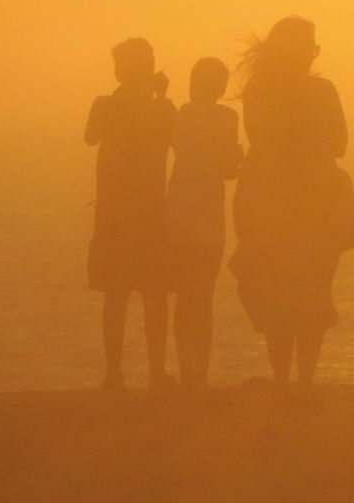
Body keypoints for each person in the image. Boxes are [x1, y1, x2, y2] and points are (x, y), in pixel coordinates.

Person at [229, 17, 354, 405]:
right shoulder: (321, 91)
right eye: (309, 47)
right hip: (312, 207)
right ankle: (304, 382)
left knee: (280, 299)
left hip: (271, 207)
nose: (311, 55)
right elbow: (338, 144)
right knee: (312, 296)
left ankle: (284, 382)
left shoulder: (259, 92)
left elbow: (263, 143)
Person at [85, 38, 176, 391]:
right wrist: (161, 97)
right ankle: (155, 372)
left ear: (119, 70)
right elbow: (174, 140)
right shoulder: (161, 108)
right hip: (149, 212)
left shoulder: (105, 104)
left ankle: (114, 373)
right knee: (153, 297)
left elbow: (90, 136)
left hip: (115, 214)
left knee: (116, 296)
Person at [166, 57, 242, 390]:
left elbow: (183, 150)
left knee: (185, 297)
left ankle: (188, 371)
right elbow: (228, 169)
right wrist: (231, 153)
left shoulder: (184, 114)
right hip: (209, 213)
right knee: (204, 296)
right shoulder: (227, 117)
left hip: (182, 211)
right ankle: (201, 372)